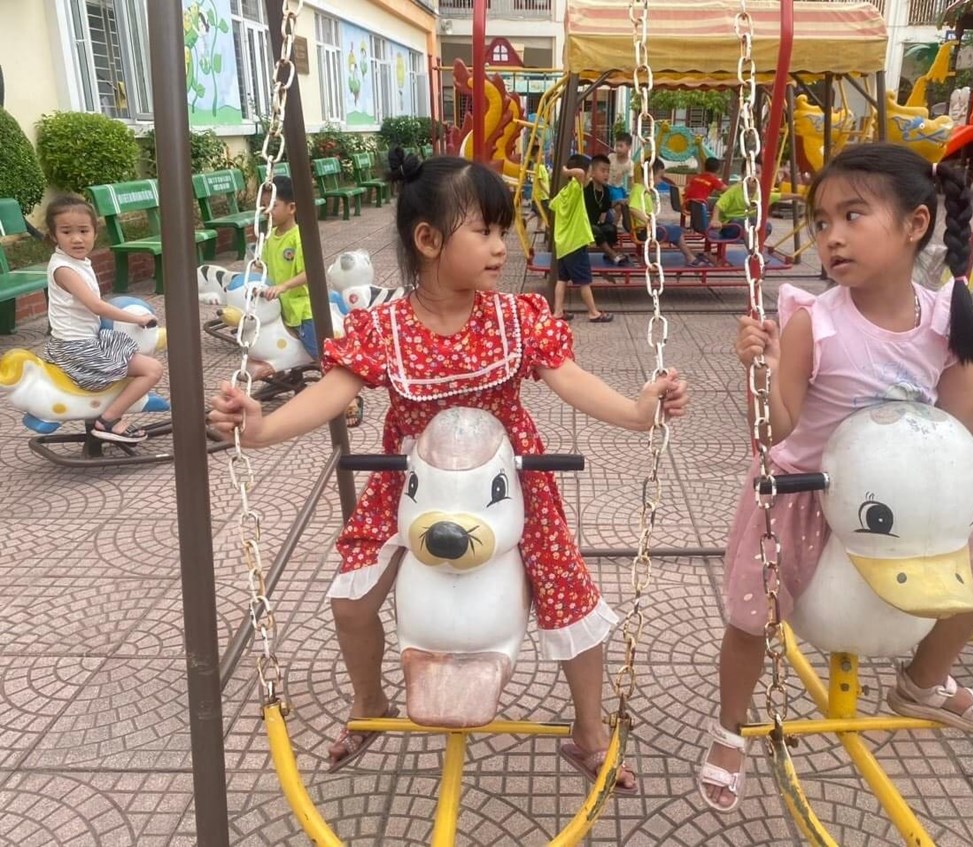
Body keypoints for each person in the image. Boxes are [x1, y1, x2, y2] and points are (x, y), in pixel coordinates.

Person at [209, 149, 689, 792]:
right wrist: (262, 427)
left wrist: (636, 412)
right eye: (484, 232)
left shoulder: (515, 317)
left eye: (501, 231)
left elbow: (571, 379)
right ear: (429, 240)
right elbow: (331, 394)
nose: (499, 248)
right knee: (351, 600)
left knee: (567, 591)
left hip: (507, 477)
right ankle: (369, 700)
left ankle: (589, 732)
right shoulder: (385, 327)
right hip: (411, 478)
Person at [698, 142, 973, 813]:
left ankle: (922, 681)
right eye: (822, 221)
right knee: (754, 616)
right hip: (805, 490)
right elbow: (775, 431)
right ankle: (729, 730)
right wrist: (761, 371)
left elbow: (967, 414)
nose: (831, 236)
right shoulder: (813, 323)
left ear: (916, 224)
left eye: (852, 215)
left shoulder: (946, 317)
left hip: (909, 494)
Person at [40, 194, 163, 444]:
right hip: (77, 348)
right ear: (54, 236)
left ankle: (119, 405)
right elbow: (96, 306)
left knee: (129, 349)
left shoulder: (74, 261)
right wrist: (137, 319)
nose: (77, 238)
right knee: (153, 369)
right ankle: (108, 420)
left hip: (82, 341)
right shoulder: (64, 269)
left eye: (84, 231)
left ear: (95, 233)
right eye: (66, 232)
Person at [259, 174, 363, 427]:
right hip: (282, 307)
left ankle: (350, 399)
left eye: (272, 205)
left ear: (291, 207)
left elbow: (310, 272)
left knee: (320, 356)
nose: (266, 211)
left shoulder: (299, 238)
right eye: (263, 206)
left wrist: (283, 286)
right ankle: (289, 376)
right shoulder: (270, 238)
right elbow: (264, 268)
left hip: (304, 308)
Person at [549, 153, 614, 323]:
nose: (590, 177)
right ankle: (593, 312)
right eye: (589, 173)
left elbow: (552, 205)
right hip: (575, 244)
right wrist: (566, 171)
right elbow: (579, 173)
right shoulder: (576, 188)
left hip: (563, 245)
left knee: (562, 279)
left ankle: (558, 311)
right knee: (585, 281)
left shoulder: (564, 193)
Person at [627, 161, 711, 267]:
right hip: (645, 231)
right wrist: (649, 222)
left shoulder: (642, 190)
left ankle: (690, 256)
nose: (661, 180)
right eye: (660, 176)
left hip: (646, 229)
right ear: (649, 175)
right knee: (677, 231)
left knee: (675, 230)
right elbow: (633, 209)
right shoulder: (639, 190)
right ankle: (690, 257)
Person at [584, 154, 631, 267]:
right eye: (603, 171)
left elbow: (607, 206)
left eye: (608, 171)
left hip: (593, 224)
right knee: (595, 230)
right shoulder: (586, 188)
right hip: (581, 225)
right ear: (592, 172)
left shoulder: (605, 190)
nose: (606, 174)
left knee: (610, 228)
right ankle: (613, 255)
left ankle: (608, 252)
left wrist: (619, 201)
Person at [608, 132, 634, 226]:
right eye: (617, 145)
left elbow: (631, 179)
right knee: (604, 205)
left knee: (619, 208)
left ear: (629, 147)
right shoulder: (611, 157)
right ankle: (601, 223)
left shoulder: (629, 164)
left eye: (621, 146)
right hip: (606, 185)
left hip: (617, 187)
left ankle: (614, 225)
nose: (618, 149)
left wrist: (632, 191)